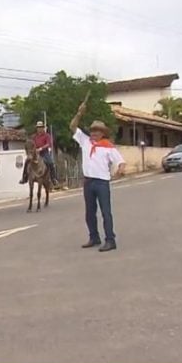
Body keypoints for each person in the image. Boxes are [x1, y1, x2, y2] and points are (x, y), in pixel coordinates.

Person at [70, 97, 126, 252]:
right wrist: (79, 113)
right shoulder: (85, 140)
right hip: (88, 182)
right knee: (89, 212)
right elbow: (73, 126)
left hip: (102, 183)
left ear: (102, 133)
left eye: (97, 131)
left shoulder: (108, 147)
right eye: (93, 130)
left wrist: (120, 169)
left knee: (106, 212)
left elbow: (121, 162)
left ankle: (110, 240)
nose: (94, 133)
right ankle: (94, 237)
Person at [19, 121, 58, 185]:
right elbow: (32, 143)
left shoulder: (47, 135)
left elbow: (48, 144)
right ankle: (24, 178)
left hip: (44, 153)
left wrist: (41, 148)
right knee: (27, 161)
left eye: (40, 127)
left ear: (43, 128)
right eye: (38, 127)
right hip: (35, 153)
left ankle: (53, 178)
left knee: (50, 163)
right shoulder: (34, 136)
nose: (39, 129)